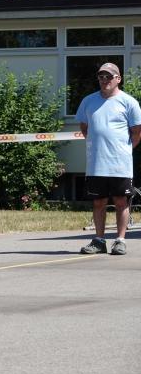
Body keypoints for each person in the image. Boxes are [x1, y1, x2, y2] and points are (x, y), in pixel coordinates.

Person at [75, 62, 141, 255]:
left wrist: (124, 150)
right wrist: (97, 146)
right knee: (98, 202)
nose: (105, 80)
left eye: (109, 76)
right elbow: (85, 128)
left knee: (121, 202)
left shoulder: (129, 102)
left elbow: (137, 132)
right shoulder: (88, 101)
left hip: (120, 164)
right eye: (101, 76)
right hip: (96, 163)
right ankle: (99, 241)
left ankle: (120, 241)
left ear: (118, 79)